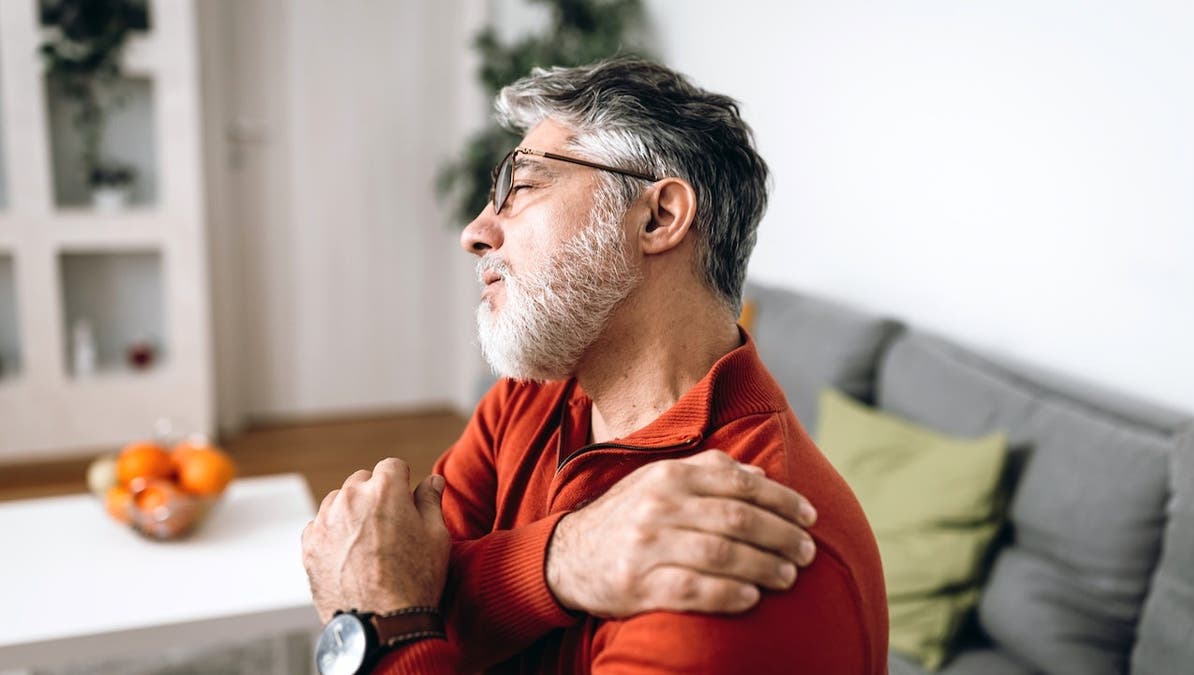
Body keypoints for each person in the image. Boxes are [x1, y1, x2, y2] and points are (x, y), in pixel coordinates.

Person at [302, 57, 888, 674]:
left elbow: (400, 592)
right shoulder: (530, 400)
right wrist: (557, 561)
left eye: (521, 187)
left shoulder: (727, 545)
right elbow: (415, 573)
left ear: (657, 217)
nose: (475, 232)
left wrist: (378, 625)